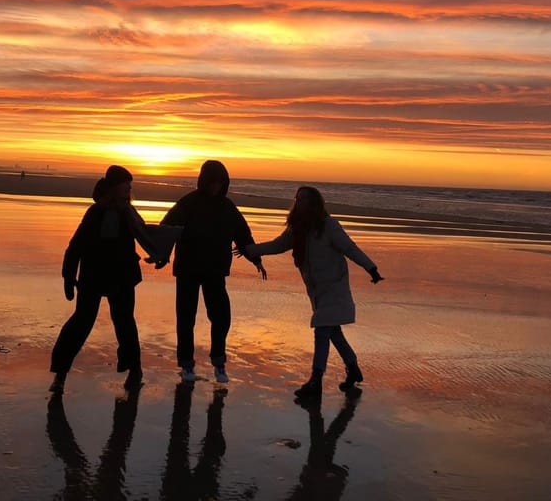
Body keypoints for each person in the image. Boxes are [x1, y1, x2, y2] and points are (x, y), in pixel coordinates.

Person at [244, 186, 384, 398]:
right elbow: (277, 245)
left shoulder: (328, 226)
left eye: (304, 199)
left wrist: (371, 268)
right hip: (316, 290)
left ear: (314, 203)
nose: (299, 202)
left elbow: (350, 248)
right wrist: (249, 250)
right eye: (298, 199)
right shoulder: (297, 229)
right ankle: (353, 368)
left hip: (334, 286)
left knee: (322, 329)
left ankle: (316, 381)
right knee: (332, 331)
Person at [50, 165, 159, 392]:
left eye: (130, 184)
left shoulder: (128, 212)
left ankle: (135, 370)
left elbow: (145, 235)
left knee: (125, 323)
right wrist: (68, 276)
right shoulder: (95, 212)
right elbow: (75, 245)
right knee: (81, 322)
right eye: (125, 183)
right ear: (113, 186)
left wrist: (159, 254)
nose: (129, 187)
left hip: (122, 276)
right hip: (94, 275)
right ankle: (60, 374)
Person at [156, 160, 266, 383]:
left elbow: (243, 234)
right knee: (186, 318)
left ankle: (219, 362)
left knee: (221, 317)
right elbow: (167, 229)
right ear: (204, 181)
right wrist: (162, 254)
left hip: (215, 270)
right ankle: (186, 364)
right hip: (188, 268)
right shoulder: (189, 202)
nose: (216, 186)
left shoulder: (227, 206)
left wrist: (256, 259)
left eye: (220, 182)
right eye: (212, 181)